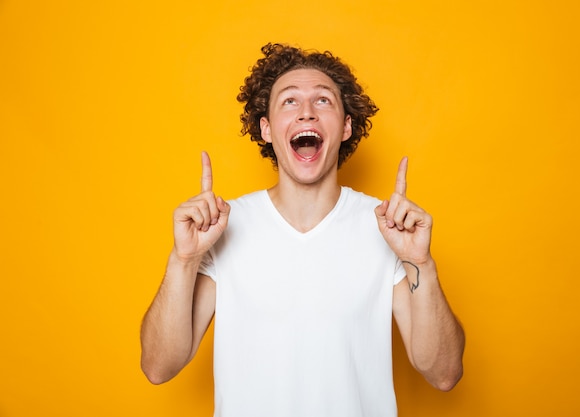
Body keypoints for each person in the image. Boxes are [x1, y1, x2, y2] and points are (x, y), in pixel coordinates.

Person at [140, 43, 465, 417]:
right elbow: (158, 367)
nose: (307, 112)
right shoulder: (222, 227)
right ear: (266, 129)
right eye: (289, 102)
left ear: (345, 127)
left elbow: (443, 373)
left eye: (323, 101)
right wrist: (184, 259)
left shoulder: (386, 228)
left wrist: (420, 262)